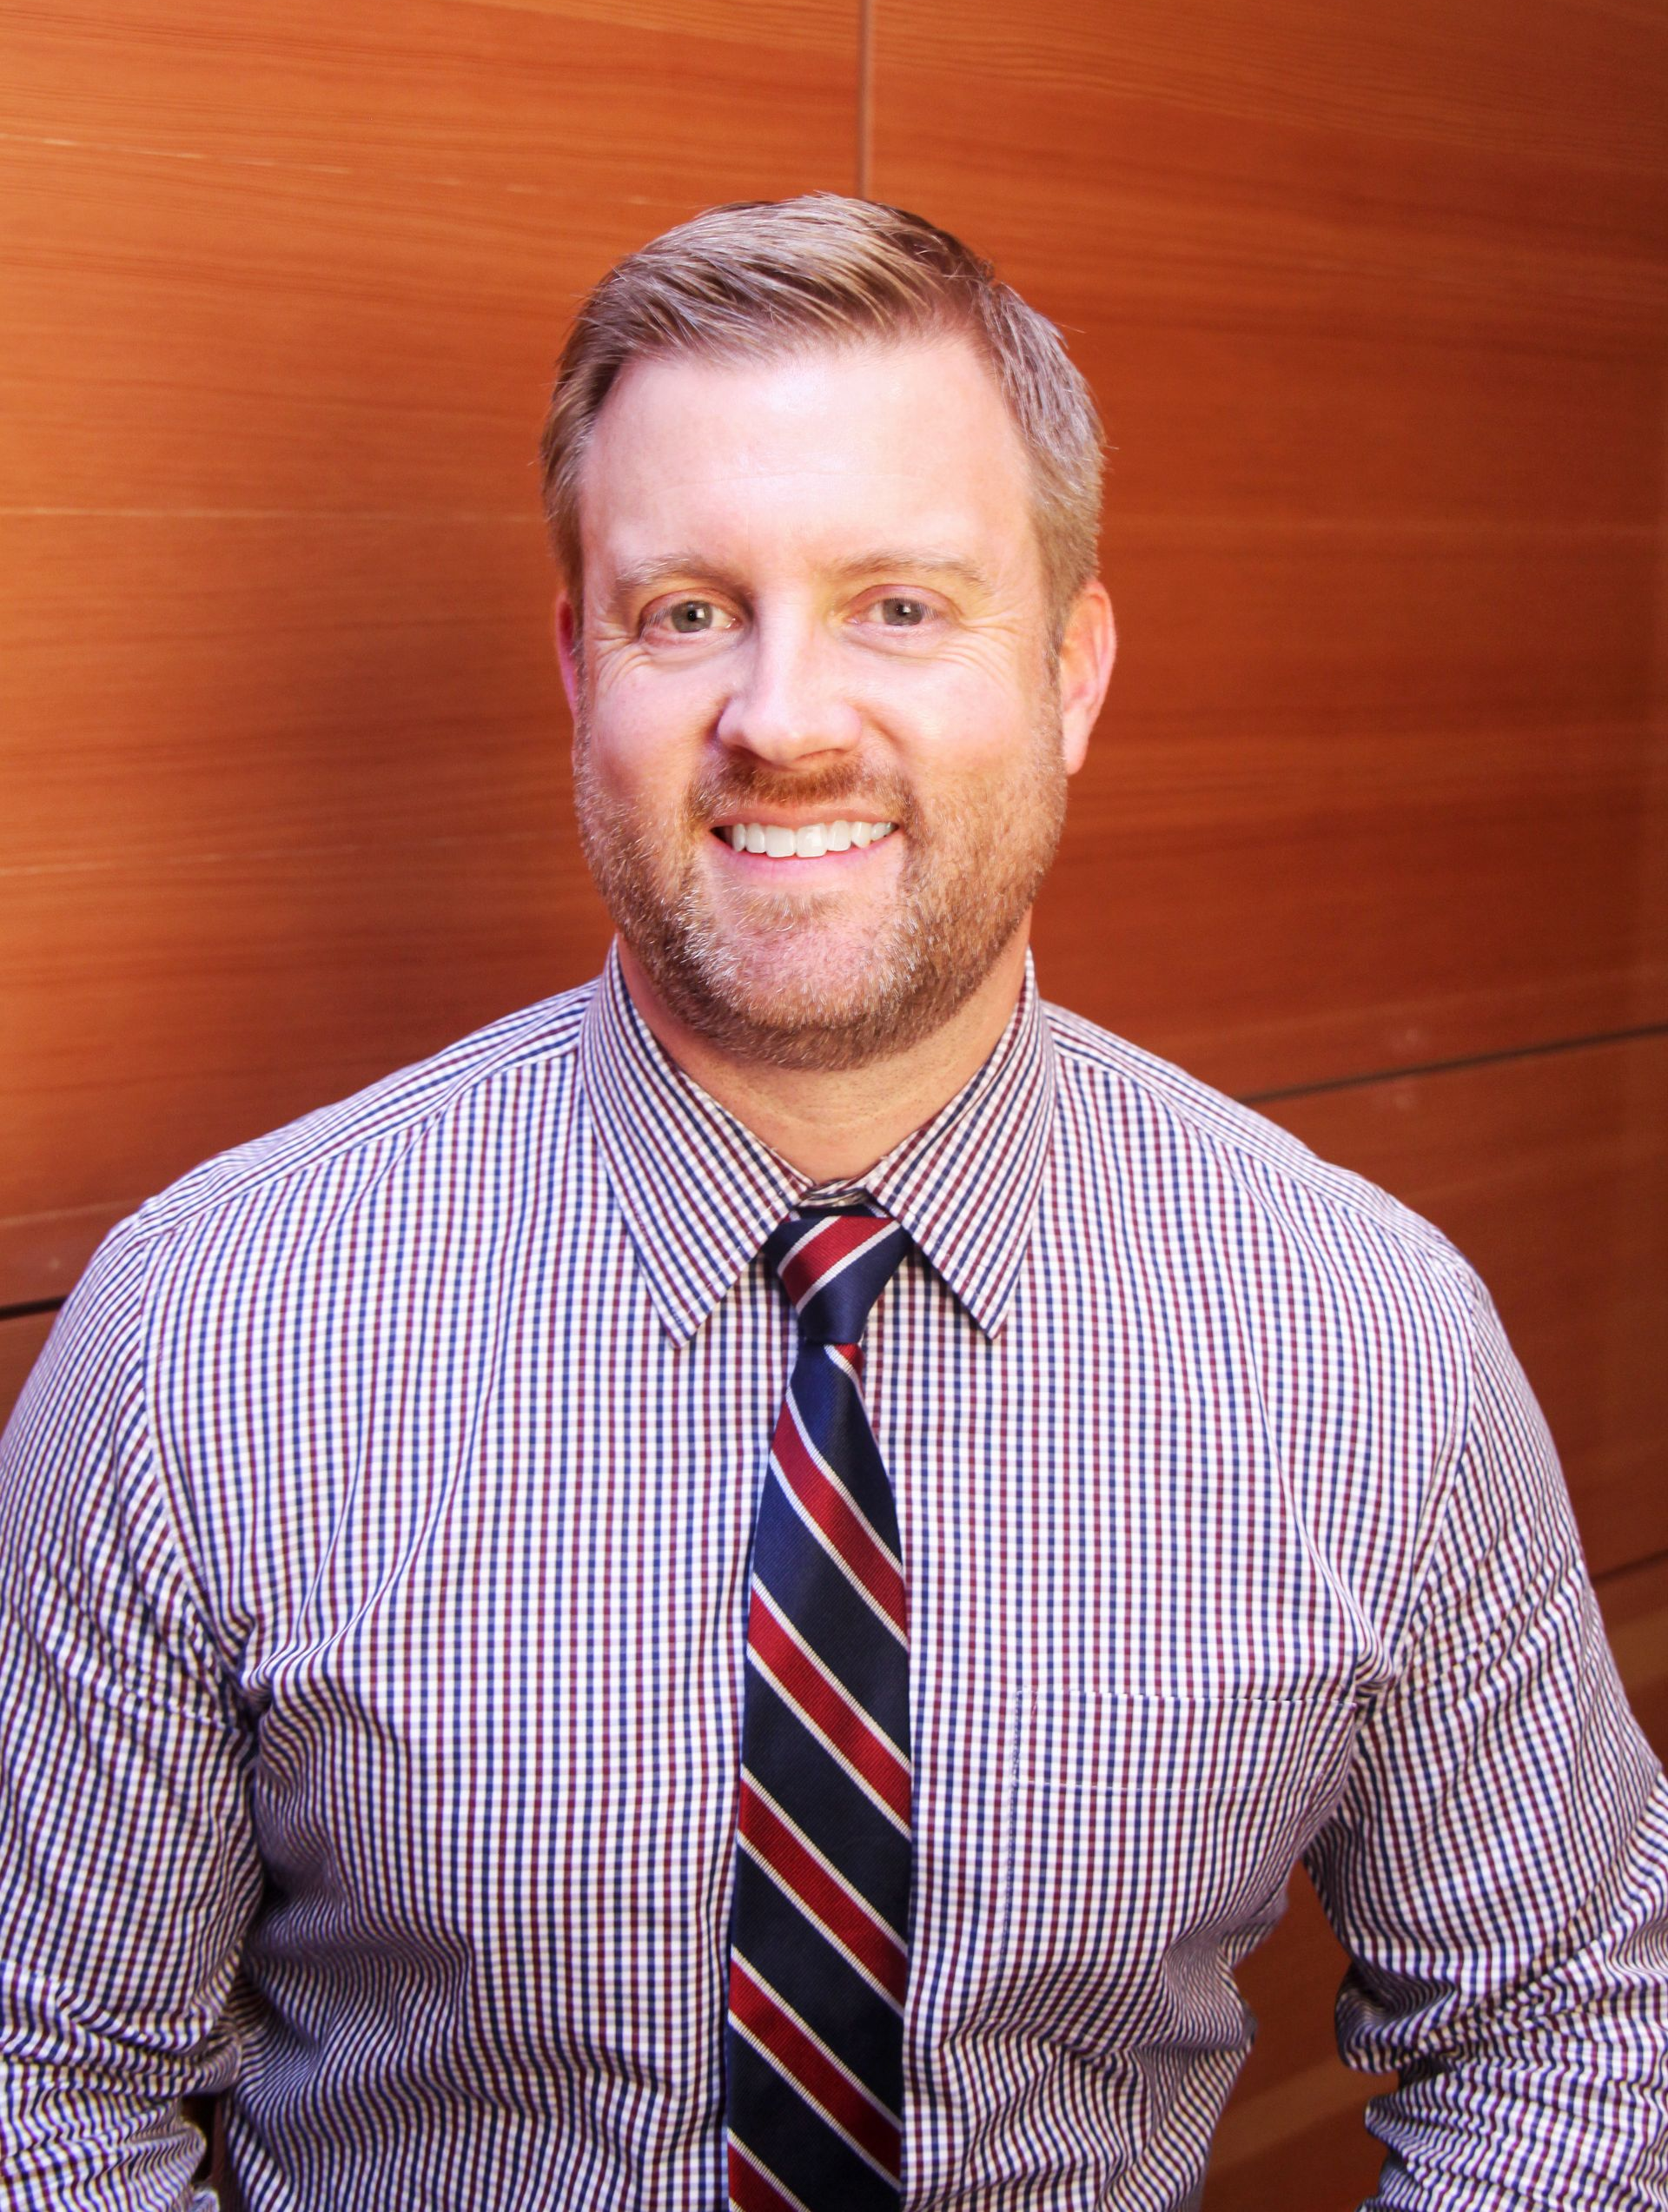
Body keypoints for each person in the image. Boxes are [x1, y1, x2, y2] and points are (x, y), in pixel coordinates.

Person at [1, 195, 1664, 2212]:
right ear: (575, 666)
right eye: (688, 609)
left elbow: (1568, 2021)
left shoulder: (1372, 1345)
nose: (783, 720)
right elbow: (43, 2089)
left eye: (900, 604)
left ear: (1069, 671)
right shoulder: (205, 1336)